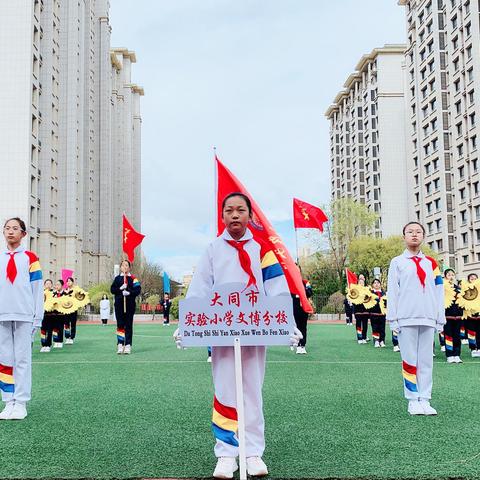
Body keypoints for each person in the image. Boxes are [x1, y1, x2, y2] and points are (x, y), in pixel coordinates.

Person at [175, 192, 300, 479]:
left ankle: (253, 451)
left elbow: (278, 290)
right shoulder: (212, 250)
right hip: (221, 332)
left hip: (255, 331)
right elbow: (200, 289)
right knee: (225, 389)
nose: (234, 215)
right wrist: (187, 325)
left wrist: (288, 324)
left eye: (240, 210)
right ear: (222, 216)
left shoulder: (264, 251)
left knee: (252, 389)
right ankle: (227, 453)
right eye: (229, 210)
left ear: (249, 216)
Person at [386, 221, 445, 416]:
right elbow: (393, 291)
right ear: (404, 237)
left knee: (426, 360)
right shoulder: (397, 262)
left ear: (423, 236)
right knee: (409, 359)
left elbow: (438, 291)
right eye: (410, 232)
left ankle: (425, 399)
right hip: (406, 318)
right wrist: (393, 319)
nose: (414, 235)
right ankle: (412, 399)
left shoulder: (431, 263)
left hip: (428, 317)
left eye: (418, 232)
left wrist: (440, 318)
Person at [0, 217, 43, 420]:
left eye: (15, 228)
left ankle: (21, 402)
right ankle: (8, 401)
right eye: (7, 228)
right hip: (2, 315)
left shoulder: (30, 258)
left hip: (24, 315)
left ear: (23, 234)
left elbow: (37, 289)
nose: (10, 232)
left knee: (22, 360)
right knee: (4, 360)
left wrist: (37, 318)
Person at [110, 260, 141, 354]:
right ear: (120, 267)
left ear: (129, 267)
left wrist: (129, 292)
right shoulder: (117, 279)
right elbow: (112, 290)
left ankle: (127, 345)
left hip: (130, 305)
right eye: (123, 265)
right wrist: (120, 289)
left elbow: (138, 290)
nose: (125, 267)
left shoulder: (133, 278)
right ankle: (120, 344)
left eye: (126, 265)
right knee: (120, 324)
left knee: (128, 325)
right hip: (119, 305)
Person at [443, 269, 463, 364]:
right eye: (448, 275)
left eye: (452, 275)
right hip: (447, 317)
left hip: (458, 317)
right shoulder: (442, 288)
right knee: (448, 336)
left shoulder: (459, 289)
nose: (451, 276)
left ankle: (457, 355)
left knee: (457, 336)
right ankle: (449, 355)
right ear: (445, 276)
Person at [292, 269, 312, 354]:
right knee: (296, 326)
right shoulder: (291, 282)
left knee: (303, 327)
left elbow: (310, 292)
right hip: (295, 308)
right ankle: (297, 345)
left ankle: (303, 345)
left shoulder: (306, 282)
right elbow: (290, 294)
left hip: (304, 308)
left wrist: (302, 291)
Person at [464, 273, 480, 358]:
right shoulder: (466, 290)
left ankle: (479, 348)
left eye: (475, 278)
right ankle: (473, 349)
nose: (473, 280)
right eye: (471, 278)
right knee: (471, 333)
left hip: (479, 315)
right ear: (469, 280)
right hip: (470, 316)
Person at [369, 278, 386, 348]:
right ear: (372, 285)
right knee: (375, 328)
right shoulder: (370, 293)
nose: (376, 284)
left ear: (380, 284)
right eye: (375, 283)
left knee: (382, 328)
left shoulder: (384, 293)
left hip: (382, 314)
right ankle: (376, 341)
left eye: (378, 283)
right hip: (373, 314)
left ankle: (382, 341)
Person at [354, 274, 370, 344]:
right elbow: (353, 299)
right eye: (360, 282)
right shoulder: (355, 291)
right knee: (358, 325)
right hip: (358, 311)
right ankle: (359, 338)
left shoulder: (367, 290)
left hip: (365, 311)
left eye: (362, 283)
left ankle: (364, 337)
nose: (361, 284)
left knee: (365, 325)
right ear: (358, 283)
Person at [63, 277, 78, 345]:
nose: (68, 282)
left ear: (73, 282)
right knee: (66, 323)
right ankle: (67, 337)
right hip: (66, 310)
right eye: (67, 281)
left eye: (70, 281)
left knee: (73, 324)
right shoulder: (65, 290)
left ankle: (71, 337)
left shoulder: (76, 290)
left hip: (73, 309)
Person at [51, 279, 65, 348]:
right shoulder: (53, 294)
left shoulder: (65, 294)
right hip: (54, 314)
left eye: (58, 285)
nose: (56, 286)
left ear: (62, 286)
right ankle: (55, 341)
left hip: (61, 314)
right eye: (56, 285)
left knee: (60, 327)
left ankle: (60, 341)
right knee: (54, 328)